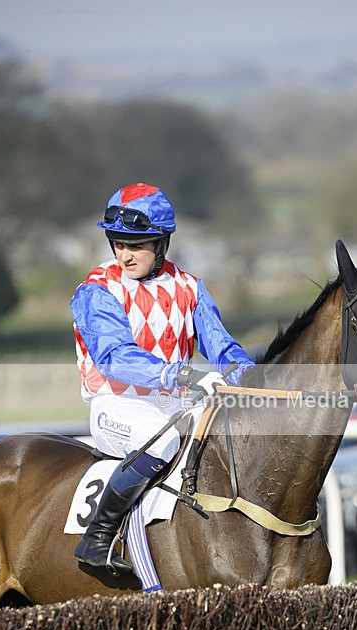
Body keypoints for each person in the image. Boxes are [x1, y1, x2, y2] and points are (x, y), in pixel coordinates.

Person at [71, 182, 254, 572]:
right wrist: (182, 374)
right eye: (118, 243)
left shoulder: (190, 287)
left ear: (161, 243)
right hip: (116, 405)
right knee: (166, 439)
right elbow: (115, 357)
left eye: (136, 244)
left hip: (175, 405)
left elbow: (220, 346)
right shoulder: (96, 290)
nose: (124, 253)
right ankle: (98, 538)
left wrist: (250, 376)